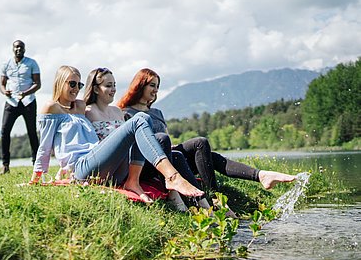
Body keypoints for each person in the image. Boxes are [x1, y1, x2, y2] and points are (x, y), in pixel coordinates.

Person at [117, 68, 296, 205]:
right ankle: (212, 199)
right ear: (140, 85)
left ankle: (250, 180)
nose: (156, 90)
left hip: (168, 152)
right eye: (152, 85)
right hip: (146, 163)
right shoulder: (125, 113)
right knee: (166, 141)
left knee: (201, 144)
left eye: (157, 86)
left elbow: (167, 138)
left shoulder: (157, 112)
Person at [30, 65, 205, 201]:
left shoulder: (80, 107)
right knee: (138, 120)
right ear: (60, 83)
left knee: (143, 120)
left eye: (79, 84)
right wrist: (37, 176)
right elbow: (45, 147)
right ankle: (172, 176)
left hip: (107, 165)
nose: (76, 89)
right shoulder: (51, 108)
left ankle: (133, 181)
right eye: (72, 83)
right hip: (82, 167)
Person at [83, 67, 208, 210]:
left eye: (114, 85)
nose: (113, 89)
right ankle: (173, 189)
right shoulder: (87, 111)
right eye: (108, 85)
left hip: (129, 161)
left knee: (177, 154)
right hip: (109, 165)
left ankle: (203, 203)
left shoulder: (117, 112)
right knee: (160, 137)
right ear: (96, 89)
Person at [0, 40, 41, 174]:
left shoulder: (32, 63)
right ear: (13, 49)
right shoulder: (6, 65)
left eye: (21, 47)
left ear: (24, 49)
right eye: (16, 47)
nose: (18, 49)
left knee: (32, 132)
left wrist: (26, 93)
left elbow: (38, 84)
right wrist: (4, 91)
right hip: (11, 102)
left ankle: (36, 163)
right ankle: (5, 166)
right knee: (5, 131)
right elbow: (2, 84)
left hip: (28, 101)